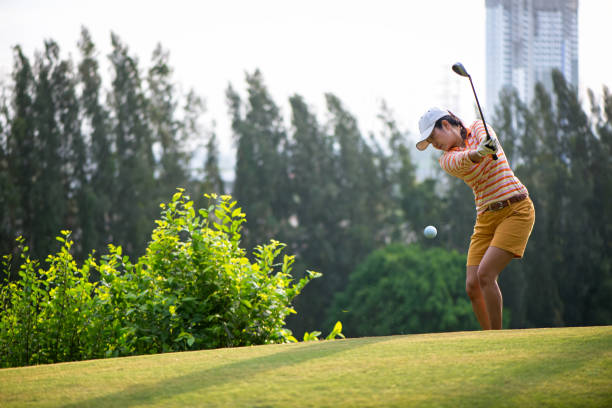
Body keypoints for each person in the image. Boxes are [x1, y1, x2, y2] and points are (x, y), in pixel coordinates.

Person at [416, 107, 535, 330]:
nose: (434, 145)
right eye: (429, 143)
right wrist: (480, 152)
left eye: (433, 138)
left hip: (516, 209)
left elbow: (487, 137)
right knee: (472, 285)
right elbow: (465, 160)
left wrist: (486, 145)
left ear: (446, 124)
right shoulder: (446, 160)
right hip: (486, 218)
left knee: (486, 274)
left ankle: (497, 339)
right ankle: (486, 336)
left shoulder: (479, 126)